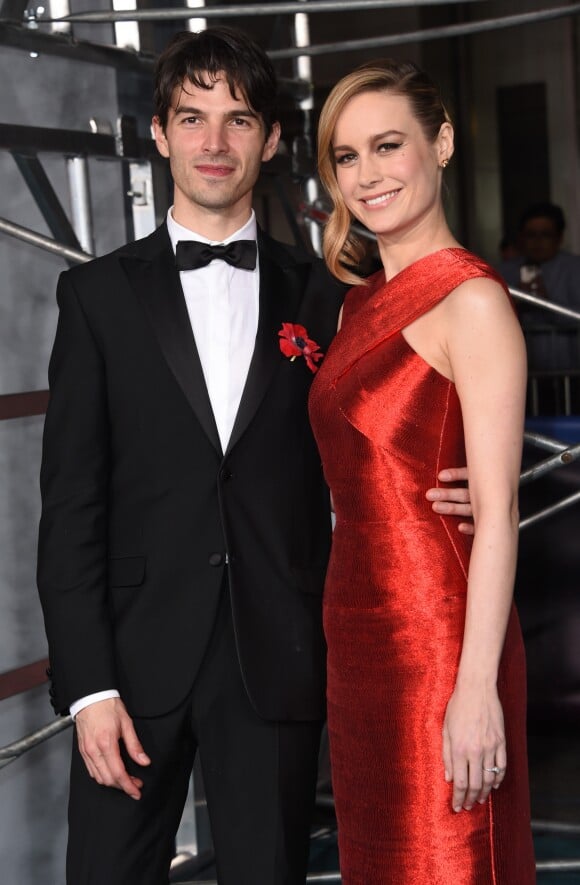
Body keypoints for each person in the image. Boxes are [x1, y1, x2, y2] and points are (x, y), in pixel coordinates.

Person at [36, 29, 473, 885]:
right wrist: (87, 687)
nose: (213, 143)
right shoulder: (94, 295)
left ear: (271, 141)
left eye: (238, 121)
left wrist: (448, 489)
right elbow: (70, 505)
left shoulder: (329, 297)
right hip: (130, 664)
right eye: (191, 119)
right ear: (158, 133)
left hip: (278, 652)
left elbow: (378, 435)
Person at [309, 60, 536, 883]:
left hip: (442, 634)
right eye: (345, 156)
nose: (367, 175)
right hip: (357, 631)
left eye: (388, 145)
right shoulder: (354, 303)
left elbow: (499, 512)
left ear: (440, 144)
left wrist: (476, 687)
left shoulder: (472, 301)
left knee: (447, 858)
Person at [499, 202, 580, 378]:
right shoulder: (505, 271)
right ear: (521, 238)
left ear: (559, 238)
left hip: (570, 373)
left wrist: (545, 302)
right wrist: (514, 303)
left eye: (545, 235)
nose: (537, 241)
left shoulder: (574, 268)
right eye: (531, 235)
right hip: (520, 376)